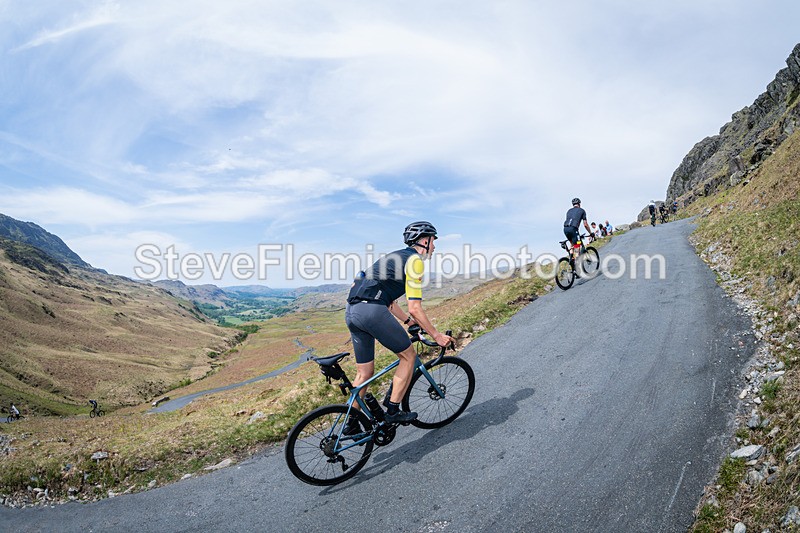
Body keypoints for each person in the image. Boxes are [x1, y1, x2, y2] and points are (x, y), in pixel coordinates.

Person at [344, 221, 454, 429]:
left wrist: (407, 322)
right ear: (424, 241)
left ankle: (350, 423)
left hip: (352, 312)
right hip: (372, 312)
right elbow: (415, 307)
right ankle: (393, 411)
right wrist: (437, 335)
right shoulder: (415, 261)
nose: (434, 247)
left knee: (364, 374)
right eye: (433, 241)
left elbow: (390, 302)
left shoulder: (394, 257)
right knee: (408, 356)